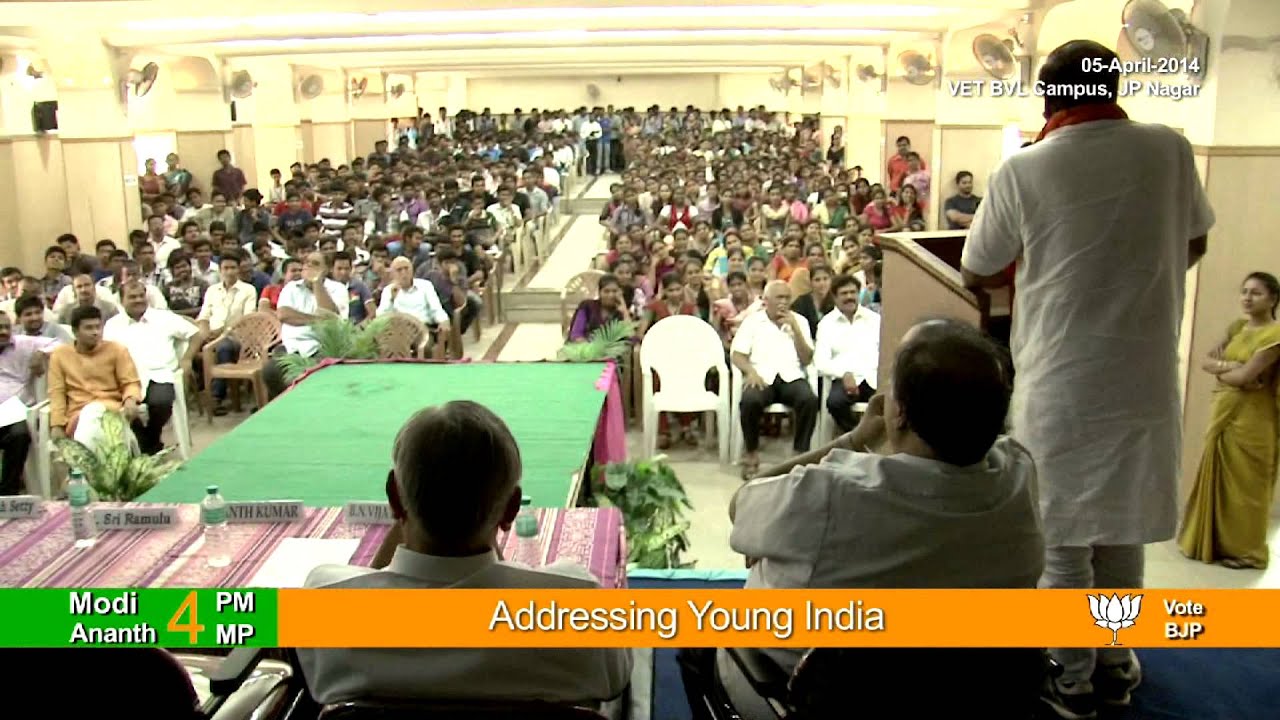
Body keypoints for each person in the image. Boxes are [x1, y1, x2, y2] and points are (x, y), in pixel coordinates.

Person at [959, 39, 1214, 719]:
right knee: (1122, 530)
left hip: (1064, 375)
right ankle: (1115, 659)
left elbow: (978, 269)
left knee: (1064, 536)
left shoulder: (1029, 167)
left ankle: (1071, 676)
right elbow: (1194, 241)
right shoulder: (1170, 149)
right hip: (1146, 373)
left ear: (1048, 96)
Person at [715, 319, 1042, 718]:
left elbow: (741, 505)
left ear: (899, 412)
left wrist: (854, 439)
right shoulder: (1020, 473)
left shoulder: (832, 494)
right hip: (975, 692)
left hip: (806, 692)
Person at [297, 401, 632, 708]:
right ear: (511, 508)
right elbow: (618, 678)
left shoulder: (320, 603)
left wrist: (405, 513)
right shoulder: (577, 607)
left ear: (394, 498)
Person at [1179, 272, 1280, 570]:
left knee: (1247, 485)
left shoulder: (1274, 336)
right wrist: (1231, 367)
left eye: (1256, 293)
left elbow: (1246, 376)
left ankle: (1248, 552)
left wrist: (1228, 371)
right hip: (1224, 408)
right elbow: (1206, 360)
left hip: (1253, 419)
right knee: (1220, 476)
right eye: (1244, 291)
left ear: (1273, 299)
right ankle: (1214, 544)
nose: (1247, 298)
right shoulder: (1237, 327)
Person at [731, 280, 818, 480]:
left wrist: (795, 329)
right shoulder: (753, 322)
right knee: (750, 401)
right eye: (779, 298)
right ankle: (751, 453)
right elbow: (737, 355)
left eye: (787, 298)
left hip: (791, 376)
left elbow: (807, 359)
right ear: (766, 301)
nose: (784, 302)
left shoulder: (800, 321)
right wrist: (750, 371)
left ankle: (799, 455)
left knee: (809, 400)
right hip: (763, 376)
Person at [103, 282, 198, 455]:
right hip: (124, 379)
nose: (138, 300)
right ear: (121, 300)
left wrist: (187, 358)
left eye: (141, 295)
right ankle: (146, 441)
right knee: (114, 406)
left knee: (160, 403)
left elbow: (196, 333)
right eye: (132, 297)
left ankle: (150, 439)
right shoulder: (112, 325)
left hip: (159, 375)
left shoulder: (163, 318)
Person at [47, 306, 143, 452]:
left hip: (113, 412)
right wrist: (57, 425)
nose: (95, 332)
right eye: (89, 328)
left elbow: (130, 382)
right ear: (75, 331)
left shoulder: (117, 350)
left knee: (95, 413)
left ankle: (85, 468)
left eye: (98, 327)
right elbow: (57, 392)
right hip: (78, 417)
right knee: (91, 413)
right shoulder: (60, 355)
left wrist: (130, 399)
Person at [0, 310, 59, 495]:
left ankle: (7, 493)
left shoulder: (23, 343)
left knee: (20, 435)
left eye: (6, 327)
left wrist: (41, 352)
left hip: (11, 411)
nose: (3, 331)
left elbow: (60, 343)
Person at [814, 274, 879, 433]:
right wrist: (844, 374)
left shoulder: (875, 319)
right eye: (844, 293)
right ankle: (856, 436)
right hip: (844, 380)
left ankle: (873, 438)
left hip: (873, 377)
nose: (849, 297)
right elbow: (820, 362)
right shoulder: (826, 324)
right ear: (835, 297)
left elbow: (884, 351)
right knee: (835, 403)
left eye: (853, 292)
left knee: (892, 403)